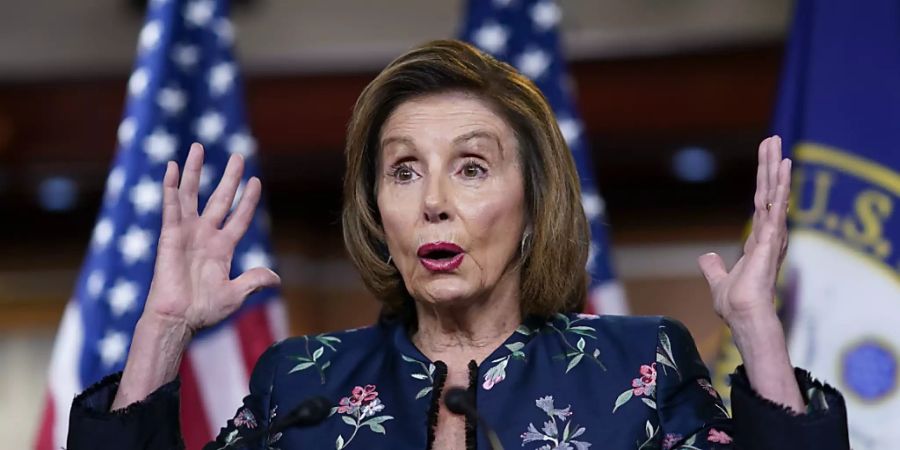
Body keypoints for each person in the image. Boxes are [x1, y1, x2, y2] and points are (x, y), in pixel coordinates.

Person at [67, 40, 849, 450]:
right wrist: (163, 327)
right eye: (404, 171)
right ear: (378, 209)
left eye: (470, 167)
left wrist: (757, 333)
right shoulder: (300, 385)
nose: (434, 201)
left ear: (535, 203)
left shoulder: (638, 370)